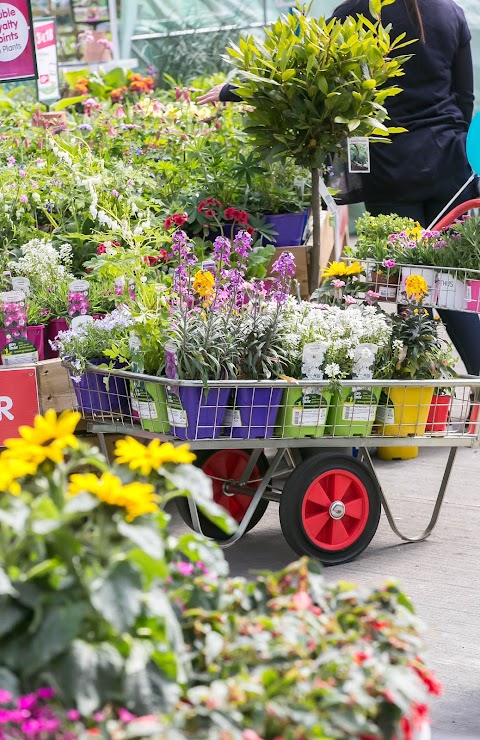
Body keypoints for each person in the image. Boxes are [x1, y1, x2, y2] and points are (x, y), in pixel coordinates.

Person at [198, 0, 480, 375]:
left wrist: (236, 89)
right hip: (450, 168)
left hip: (389, 168)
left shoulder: (356, 12)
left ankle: (424, 389)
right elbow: (464, 98)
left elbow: (301, 78)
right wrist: (451, 139)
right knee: (453, 286)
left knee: (408, 285)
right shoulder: (450, 11)